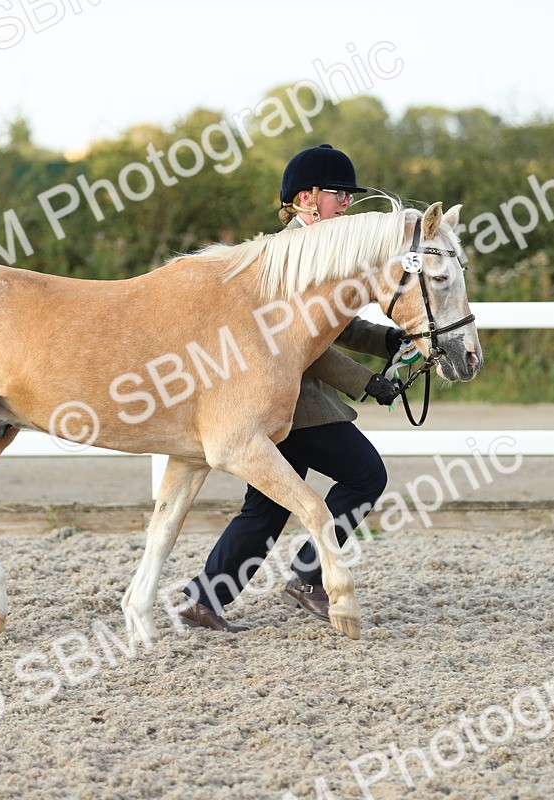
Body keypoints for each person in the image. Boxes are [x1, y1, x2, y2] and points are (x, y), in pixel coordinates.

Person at [179, 144, 405, 632]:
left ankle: (206, 597)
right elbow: (303, 344)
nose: (346, 203)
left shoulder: (320, 249)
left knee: (264, 506)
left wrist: (387, 339)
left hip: (293, 396)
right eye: (337, 194)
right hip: (286, 399)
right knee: (365, 475)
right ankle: (307, 577)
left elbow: (333, 324)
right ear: (306, 199)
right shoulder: (281, 256)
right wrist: (368, 382)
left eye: (349, 195)